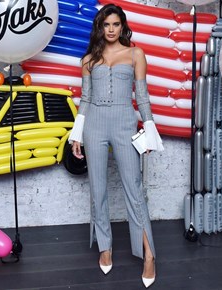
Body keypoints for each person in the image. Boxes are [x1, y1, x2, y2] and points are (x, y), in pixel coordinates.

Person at [68, 3, 164, 288]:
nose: (111, 30)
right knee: (98, 190)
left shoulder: (136, 54)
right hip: (94, 123)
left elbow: (143, 97)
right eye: (106, 25)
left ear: (123, 26)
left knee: (134, 190)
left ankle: (149, 255)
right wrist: (77, 135)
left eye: (116, 24)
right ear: (100, 27)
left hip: (124, 122)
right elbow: (84, 100)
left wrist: (148, 131)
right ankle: (105, 247)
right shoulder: (88, 60)